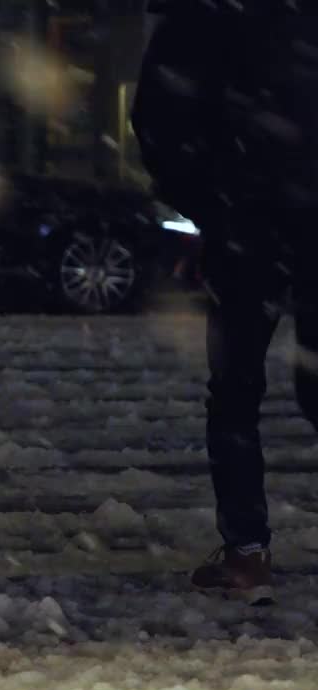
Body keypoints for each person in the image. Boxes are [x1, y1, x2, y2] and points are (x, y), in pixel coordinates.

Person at [132, 3, 318, 605]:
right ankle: (244, 553)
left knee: (236, 390)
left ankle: (246, 553)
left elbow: (157, 119)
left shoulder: (204, 18)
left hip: (247, 228)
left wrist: (211, 205)